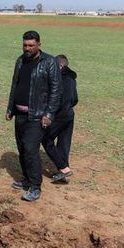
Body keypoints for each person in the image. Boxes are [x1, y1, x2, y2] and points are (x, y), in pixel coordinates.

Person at [5, 30, 61, 201]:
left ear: (39, 45)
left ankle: (35, 186)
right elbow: (15, 85)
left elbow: (56, 90)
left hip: (37, 116)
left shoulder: (49, 62)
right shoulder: (20, 61)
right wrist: (10, 108)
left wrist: (49, 114)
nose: (27, 48)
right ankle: (27, 180)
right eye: (25, 45)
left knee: (30, 149)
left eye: (31, 45)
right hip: (20, 115)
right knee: (22, 149)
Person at [42, 54, 78, 183]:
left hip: (59, 115)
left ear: (61, 66)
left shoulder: (58, 79)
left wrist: (49, 114)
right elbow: (75, 99)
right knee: (64, 143)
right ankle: (63, 170)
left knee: (45, 139)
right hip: (69, 114)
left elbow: (55, 100)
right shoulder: (71, 79)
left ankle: (63, 168)